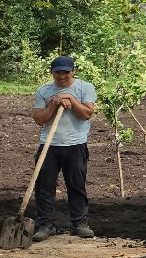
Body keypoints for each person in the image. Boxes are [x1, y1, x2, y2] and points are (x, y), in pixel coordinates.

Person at [29, 55, 97, 241]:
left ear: (73, 71)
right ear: (52, 73)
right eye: (58, 73)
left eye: (66, 72)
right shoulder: (44, 91)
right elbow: (39, 119)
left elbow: (86, 114)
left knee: (76, 184)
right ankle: (46, 224)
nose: (62, 77)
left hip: (75, 144)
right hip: (49, 145)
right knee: (44, 186)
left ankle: (80, 223)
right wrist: (54, 103)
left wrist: (70, 98)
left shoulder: (85, 88)